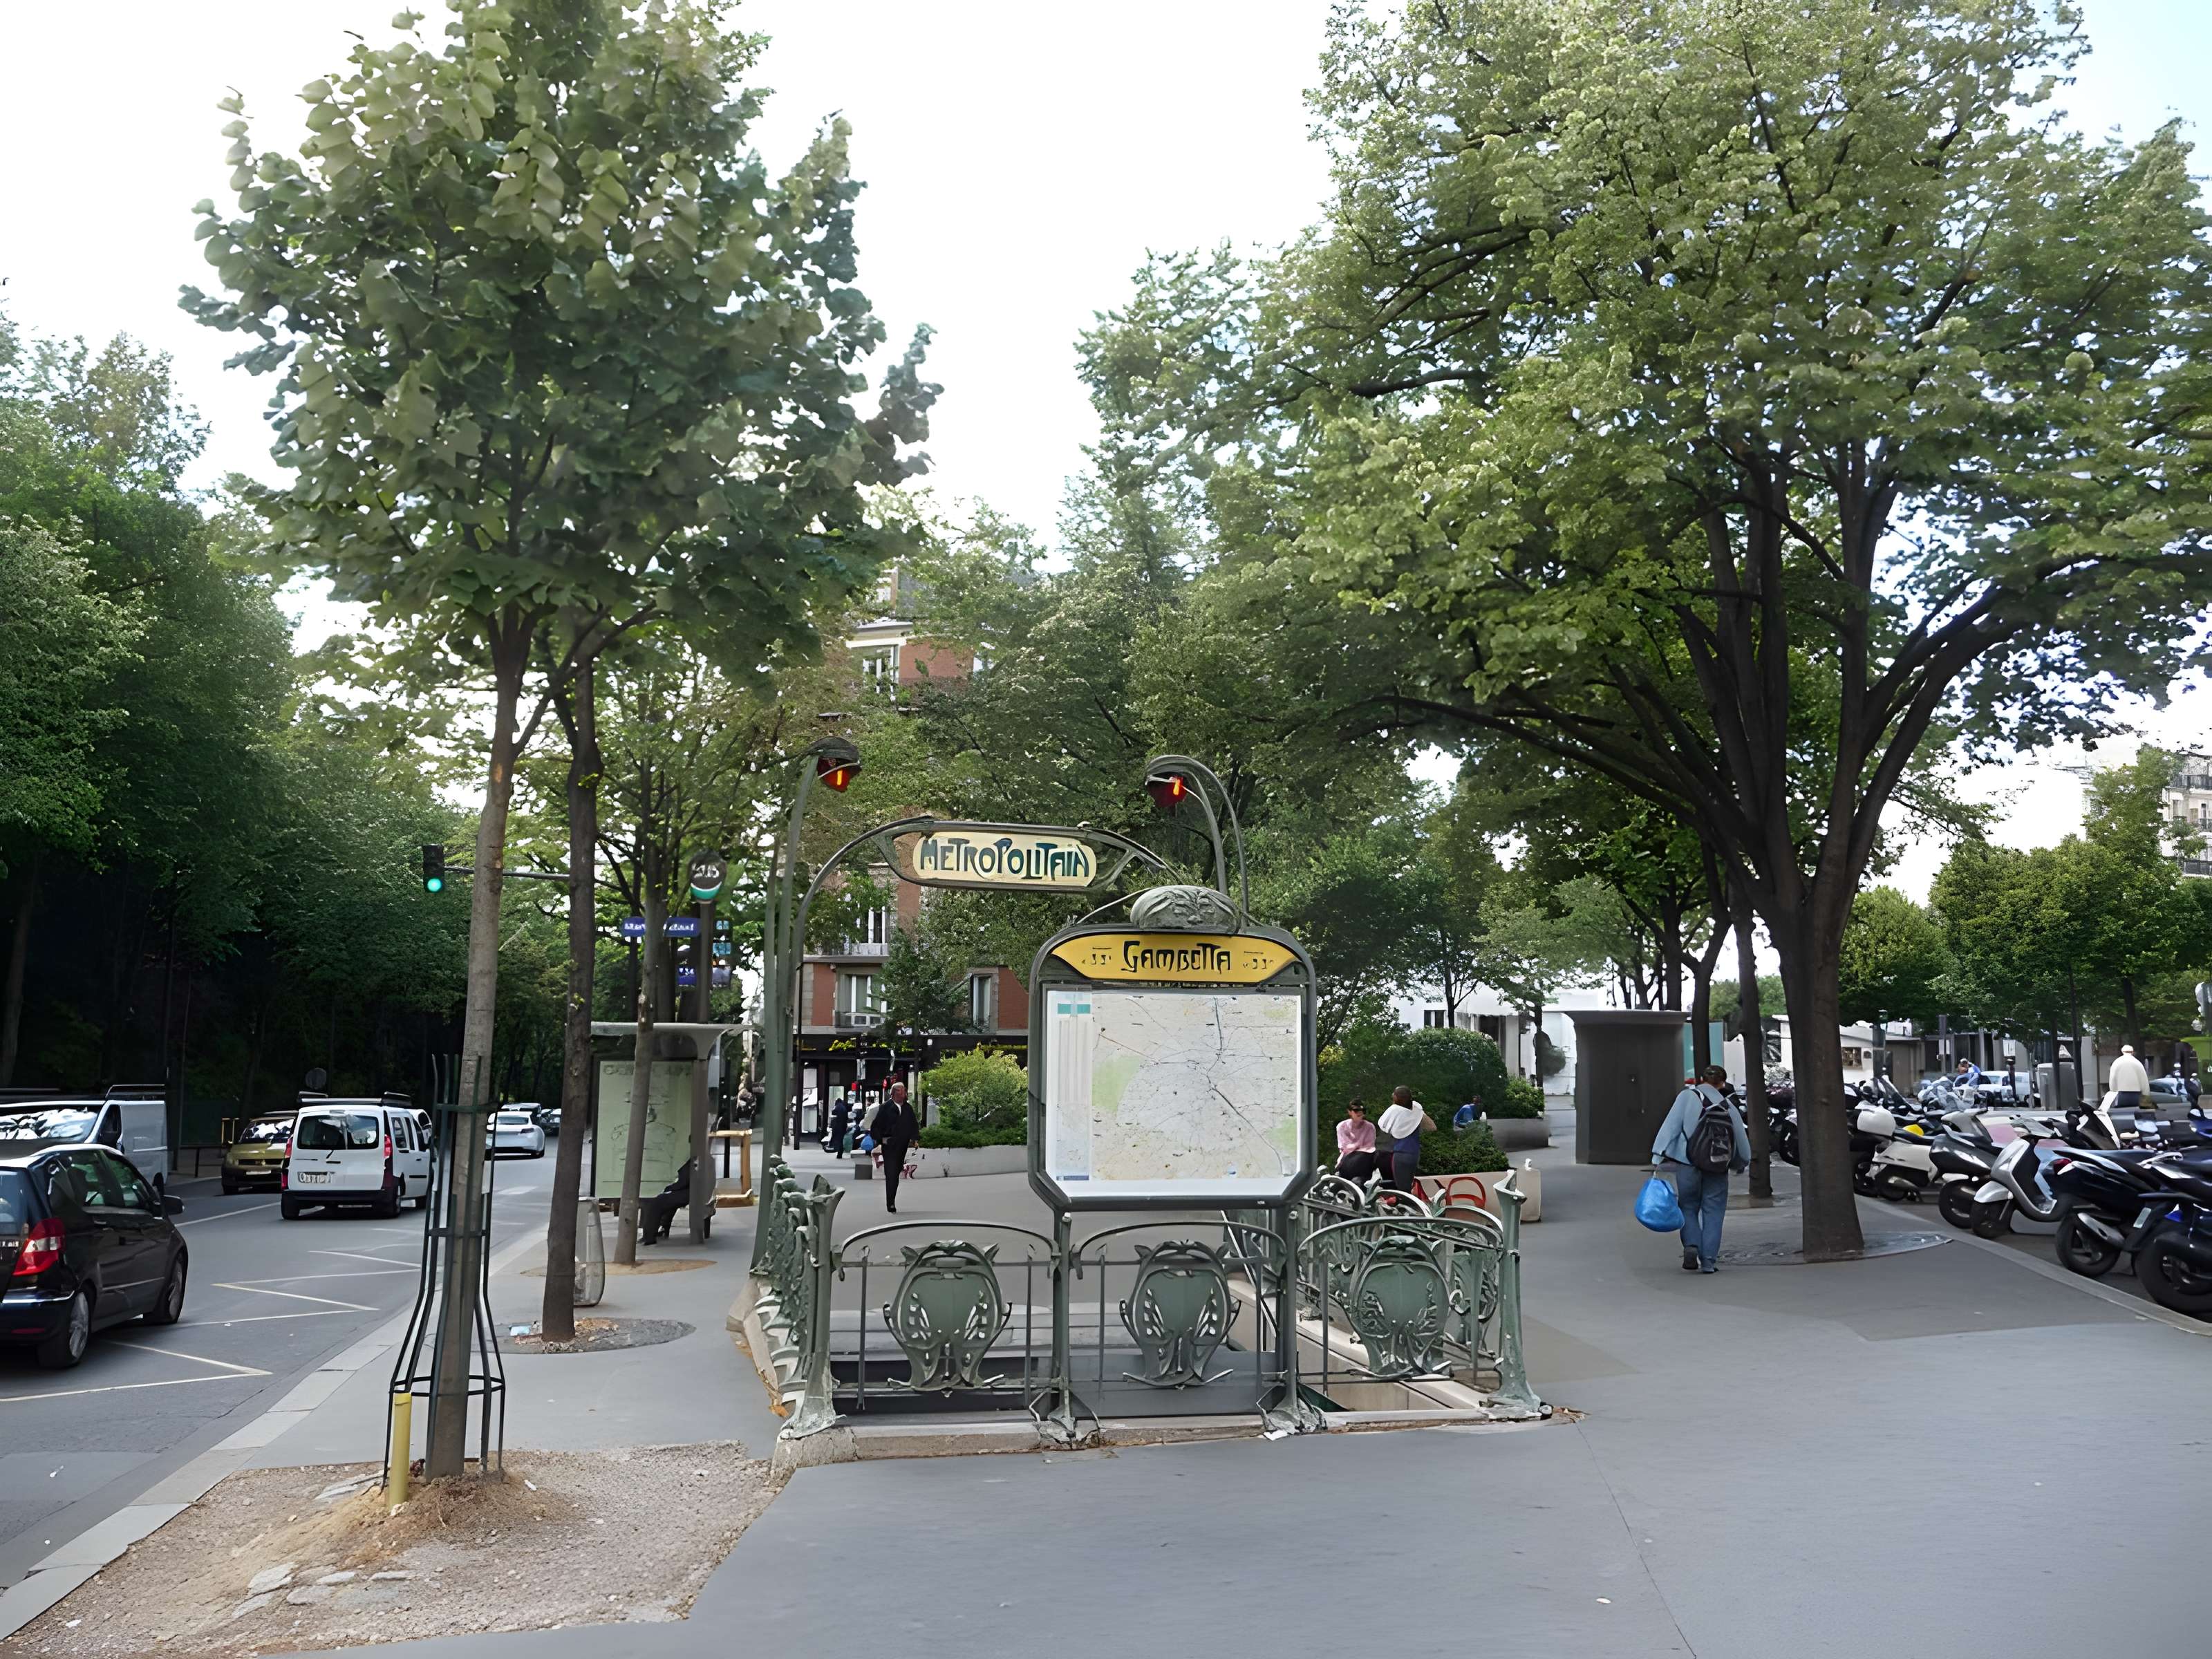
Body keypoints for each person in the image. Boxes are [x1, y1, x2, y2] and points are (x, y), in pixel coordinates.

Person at [1651, 1063, 1750, 1275]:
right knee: (1714, 1212)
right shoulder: (1727, 1105)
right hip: (1717, 1167)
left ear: (1701, 1079)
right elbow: (1741, 1140)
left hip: (1688, 1164)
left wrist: (1658, 1155)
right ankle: (1708, 1261)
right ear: (1722, 1084)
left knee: (1688, 1206)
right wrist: (1742, 1162)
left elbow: (1671, 1126)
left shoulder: (1687, 1098)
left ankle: (1691, 1245)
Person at [1376, 1087, 1434, 1192]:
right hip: (1414, 1154)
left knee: (1402, 1189)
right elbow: (1432, 1127)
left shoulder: (1394, 1112)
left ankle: (1405, 1201)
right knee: (1407, 1184)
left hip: (1400, 1153)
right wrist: (1420, 1114)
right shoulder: (1416, 1113)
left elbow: (1384, 1127)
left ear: (1395, 1097)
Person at [872, 1080, 918, 1212]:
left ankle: (892, 1197)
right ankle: (890, 1203)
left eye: (904, 1090)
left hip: (902, 1145)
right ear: (894, 1093)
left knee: (896, 1171)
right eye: (900, 1090)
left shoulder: (908, 1108)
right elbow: (876, 1126)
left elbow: (913, 1124)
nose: (903, 1093)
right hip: (890, 1145)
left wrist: (914, 1139)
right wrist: (881, 1139)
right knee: (891, 1172)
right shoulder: (885, 1107)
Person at [1334, 1100, 1379, 1183]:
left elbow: (1370, 1148)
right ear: (1349, 1112)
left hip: (1365, 1160)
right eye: (1356, 1110)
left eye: (1362, 1111)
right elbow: (1345, 1147)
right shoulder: (1342, 1126)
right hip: (1348, 1160)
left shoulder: (1370, 1127)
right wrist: (1358, 1146)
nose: (1360, 1113)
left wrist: (1355, 1146)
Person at [2109, 1044, 2150, 1112]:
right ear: (2133, 1052)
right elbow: (2144, 1082)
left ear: (2122, 1052)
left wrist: (2113, 1093)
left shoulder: (2116, 1063)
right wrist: (2146, 1097)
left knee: (2121, 1113)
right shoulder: (2138, 1063)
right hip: (2136, 1095)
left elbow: (2112, 1080)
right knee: (2136, 1113)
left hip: (2121, 1095)